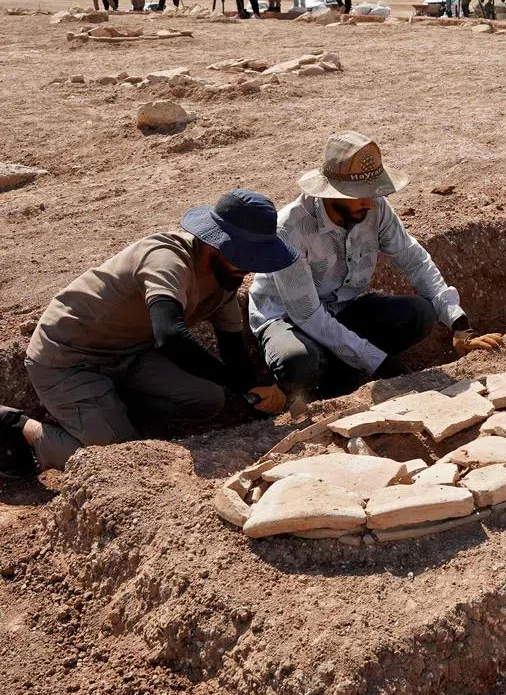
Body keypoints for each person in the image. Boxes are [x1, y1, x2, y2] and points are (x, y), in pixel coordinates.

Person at [0, 191, 297, 479]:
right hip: (67, 357)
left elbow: (233, 348)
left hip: (128, 353)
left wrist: (258, 388)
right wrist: (239, 381)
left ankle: (112, 414)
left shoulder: (225, 277)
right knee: (119, 462)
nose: (246, 268)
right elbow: (170, 336)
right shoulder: (167, 259)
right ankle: (20, 426)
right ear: (213, 243)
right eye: (241, 256)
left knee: (208, 399)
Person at [248, 131, 503, 408]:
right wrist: (382, 363)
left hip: (341, 308)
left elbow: (413, 259)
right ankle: (299, 392)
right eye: (358, 195)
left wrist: (459, 324)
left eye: (372, 192)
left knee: (420, 313)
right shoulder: (291, 228)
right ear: (331, 192)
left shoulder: (375, 208)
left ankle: (344, 375)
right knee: (297, 361)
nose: (368, 202)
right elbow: (308, 315)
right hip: (290, 319)